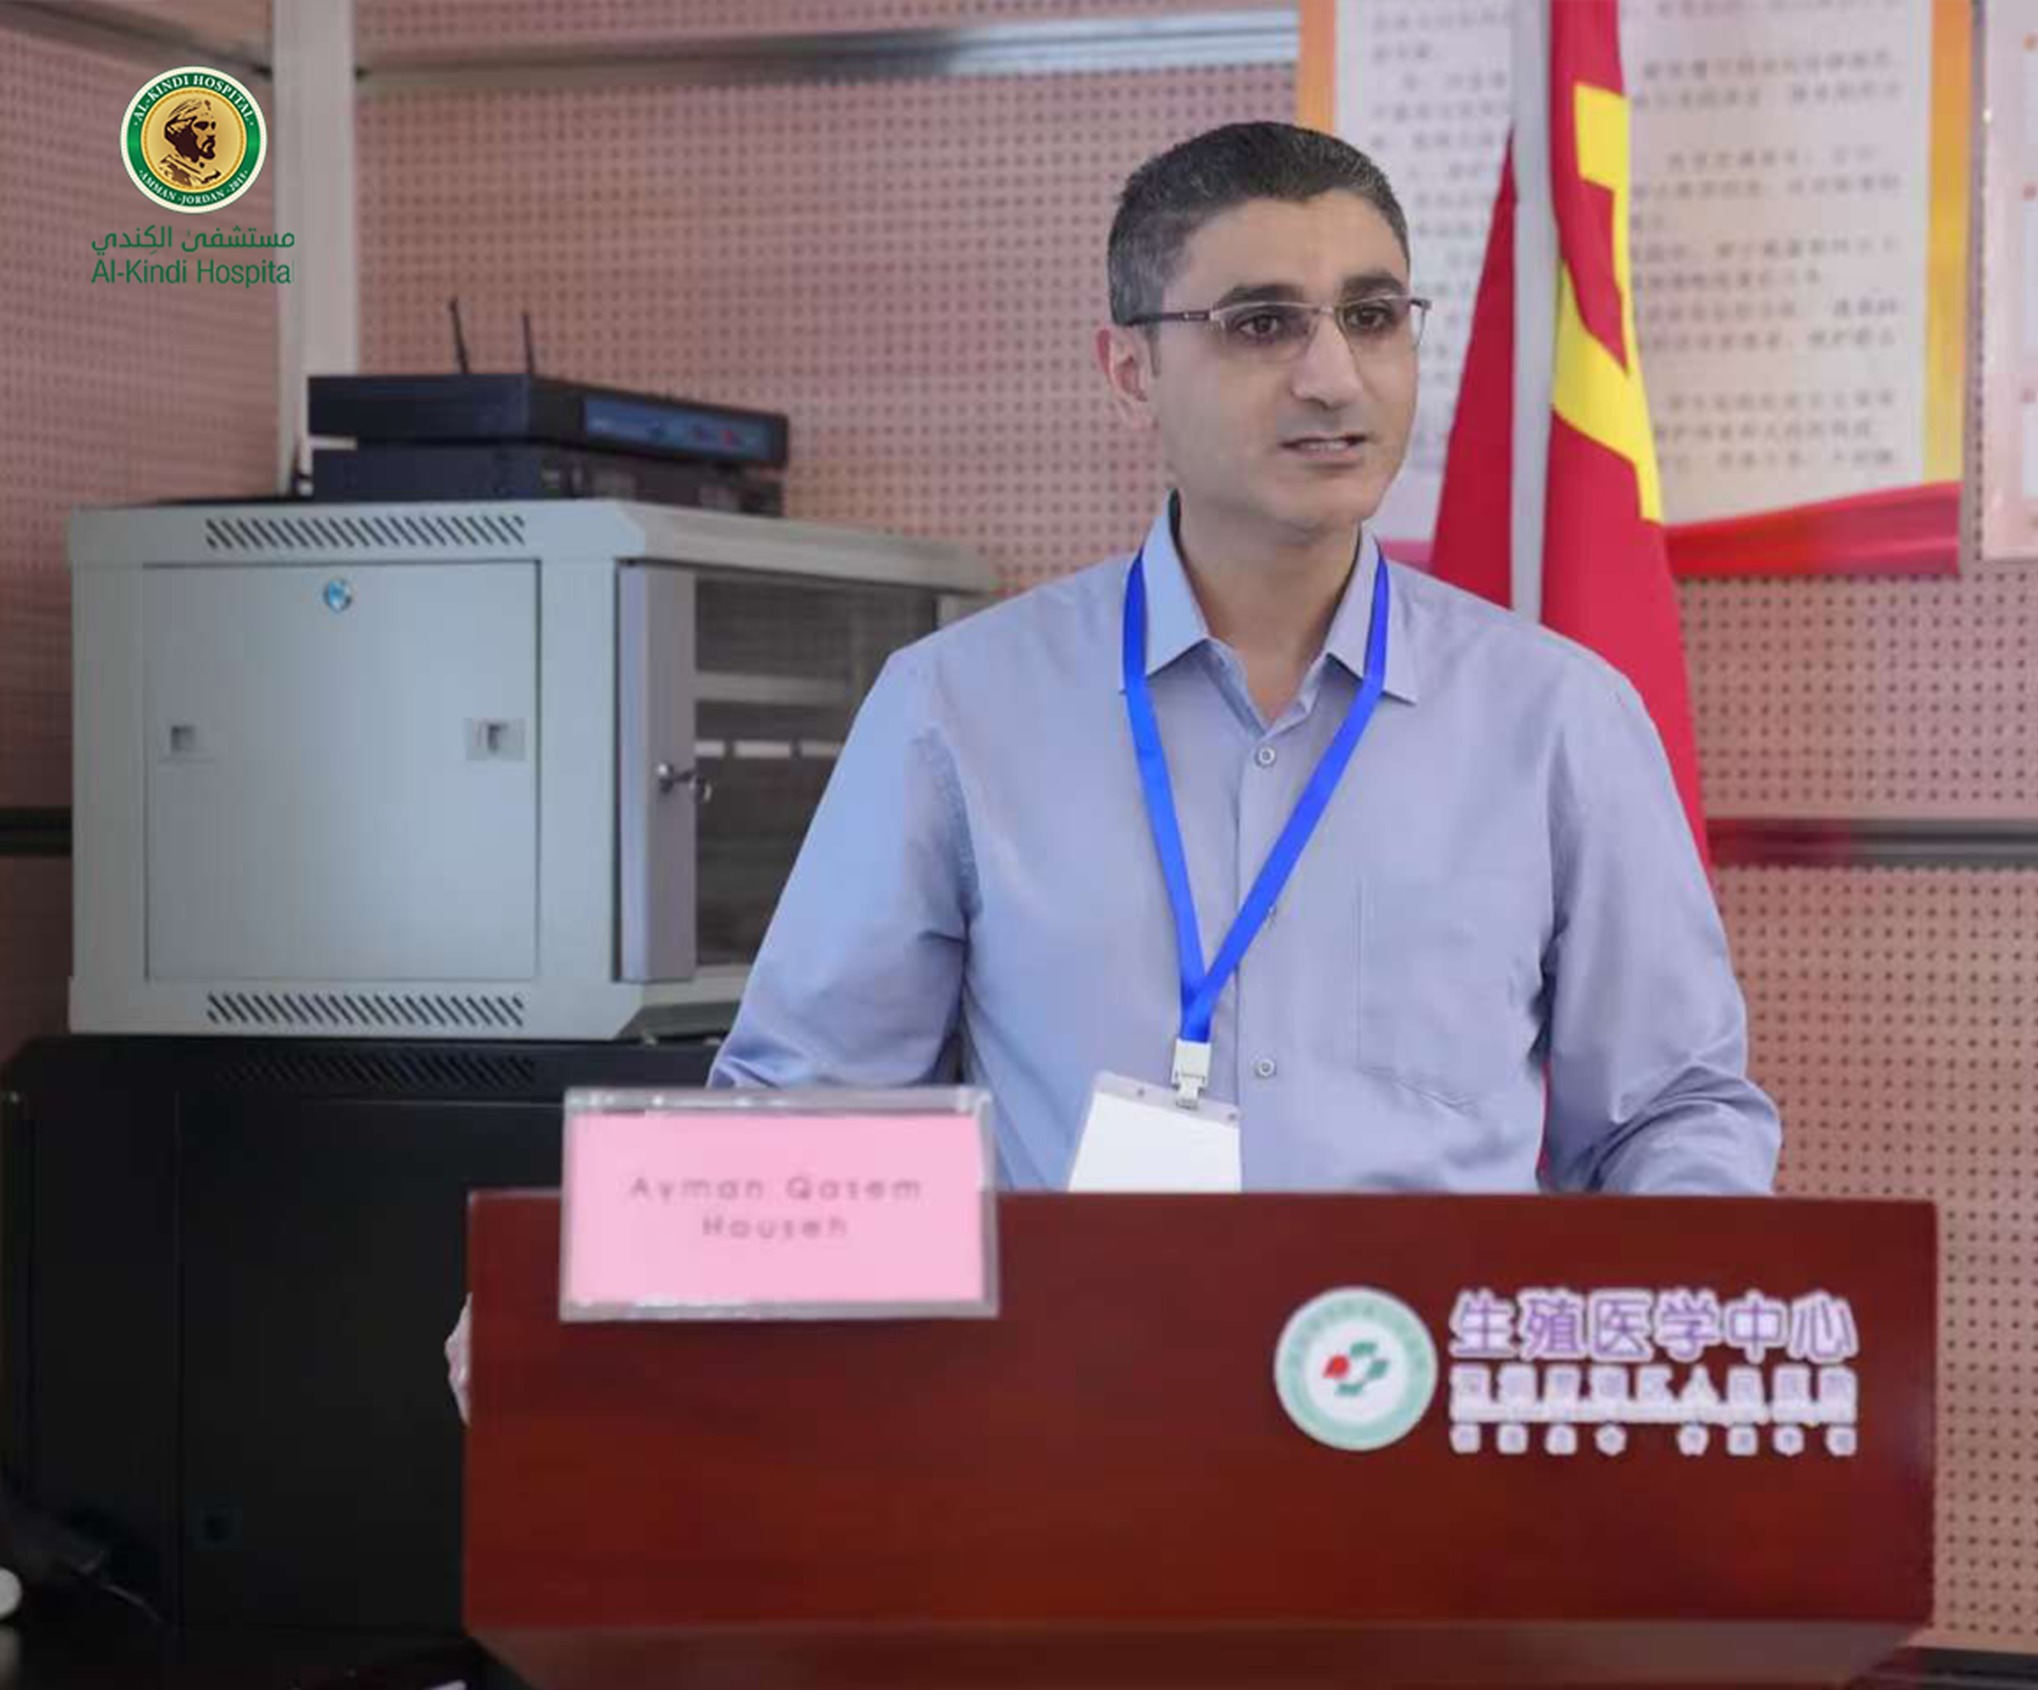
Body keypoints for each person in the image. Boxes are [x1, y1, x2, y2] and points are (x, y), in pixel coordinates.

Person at [447, 121, 1777, 1418]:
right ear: (1130, 371)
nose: (1335, 377)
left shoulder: (1560, 721)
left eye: (1373, 317)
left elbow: (1670, 1115)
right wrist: (575, 1273)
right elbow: (815, 1109)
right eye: (1263, 323)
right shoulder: (957, 708)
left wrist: (1678, 1366)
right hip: (1071, 1437)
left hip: (1432, 1431)